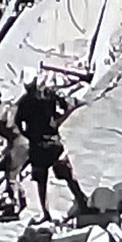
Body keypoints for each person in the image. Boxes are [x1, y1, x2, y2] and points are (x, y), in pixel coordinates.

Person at [16, 79, 88, 221]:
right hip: (53, 142)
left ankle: (45, 212)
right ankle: (81, 202)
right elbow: (56, 119)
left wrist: (28, 135)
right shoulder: (49, 99)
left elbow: (18, 123)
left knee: (41, 180)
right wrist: (69, 109)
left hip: (37, 144)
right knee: (65, 173)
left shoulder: (24, 102)